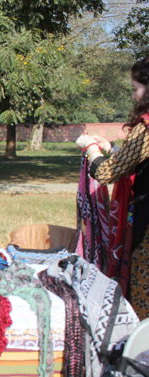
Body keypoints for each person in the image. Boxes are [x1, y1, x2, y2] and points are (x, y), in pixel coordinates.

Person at [76, 55, 149, 319]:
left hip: (146, 225)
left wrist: (92, 149)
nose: (133, 96)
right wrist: (112, 148)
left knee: (142, 292)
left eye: (136, 89)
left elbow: (107, 173)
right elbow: (140, 160)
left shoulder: (146, 127)